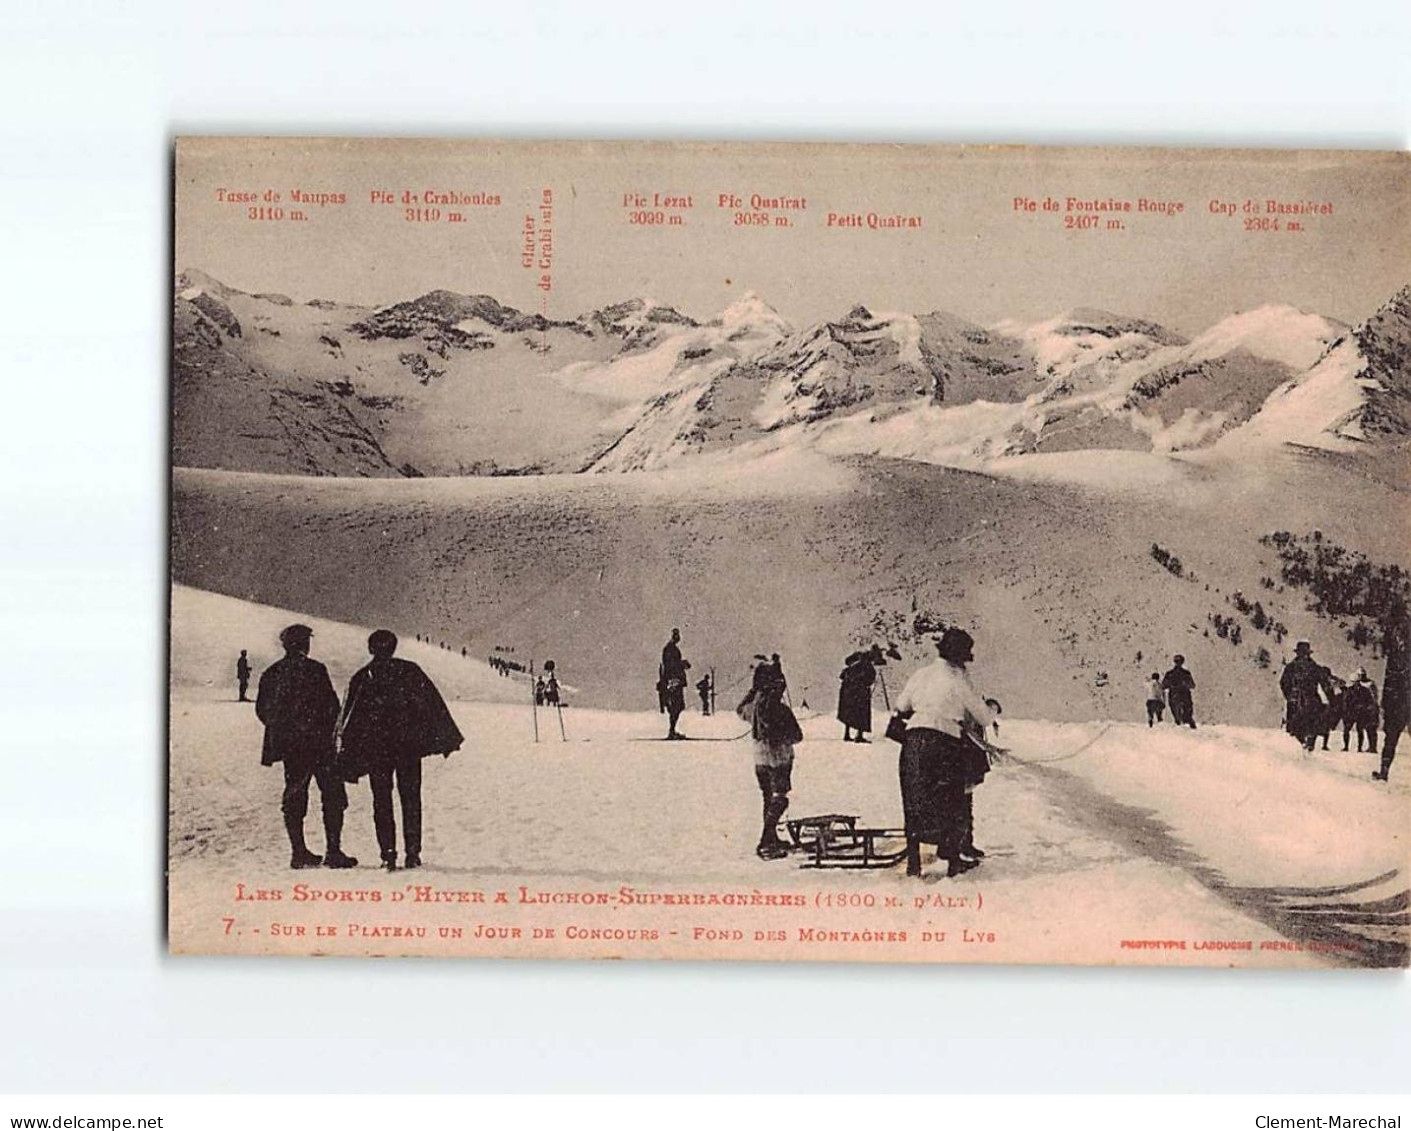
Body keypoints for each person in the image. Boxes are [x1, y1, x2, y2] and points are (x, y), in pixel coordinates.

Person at [337, 629, 463, 871]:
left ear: (371, 649)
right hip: (408, 749)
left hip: (377, 751)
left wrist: (348, 753)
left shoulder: (363, 676)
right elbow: (433, 706)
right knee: (411, 799)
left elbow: (351, 718)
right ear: (393, 648)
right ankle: (413, 853)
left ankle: (388, 854)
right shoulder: (410, 671)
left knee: (381, 800)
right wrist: (444, 738)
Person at [890, 628, 996, 879]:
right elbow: (982, 716)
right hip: (945, 743)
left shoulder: (920, 674)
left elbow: (901, 705)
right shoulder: (958, 678)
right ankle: (953, 860)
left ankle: (914, 862)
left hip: (914, 741)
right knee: (952, 801)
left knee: (915, 798)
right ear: (960, 656)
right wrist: (992, 707)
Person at [255, 624, 356, 870]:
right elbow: (332, 707)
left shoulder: (272, 672)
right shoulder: (315, 669)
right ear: (303, 644)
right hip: (320, 744)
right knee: (332, 794)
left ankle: (298, 852)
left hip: (292, 747)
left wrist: (284, 730)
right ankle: (333, 851)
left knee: (294, 795)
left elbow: (262, 710)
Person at [737, 653, 803, 860]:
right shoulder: (780, 709)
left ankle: (772, 837)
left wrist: (753, 689)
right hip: (780, 757)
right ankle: (766, 840)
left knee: (768, 797)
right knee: (780, 798)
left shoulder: (754, 706)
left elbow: (740, 709)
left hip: (759, 757)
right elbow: (797, 736)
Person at [1280, 641, 1335, 752]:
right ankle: (1303, 742)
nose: (1304, 656)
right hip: (1295, 699)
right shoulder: (1290, 668)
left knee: (1314, 721)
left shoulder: (1315, 667)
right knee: (1294, 726)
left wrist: (1331, 697)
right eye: (1301, 653)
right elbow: (1283, 682)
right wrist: (1289, 695)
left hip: (1311, 698)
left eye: (1305, 653)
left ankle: (1310, 743)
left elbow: (1325, 683)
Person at [1375, 616, 1409, 781]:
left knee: (1390, 739)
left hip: (1402, 703)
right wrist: (1384, 703)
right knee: (1390, 739)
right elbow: (1388, 682)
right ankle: (1384, 772)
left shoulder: (1398, 656)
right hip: (1396, 704)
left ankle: (1383, 772)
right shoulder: (1394, 656)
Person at [837, 650, 877, 743]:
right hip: (861, 694)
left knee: (849, 713)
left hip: (847, 693)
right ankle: (859, 735)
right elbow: (870, 679)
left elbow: (842, 676)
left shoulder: (850, 668)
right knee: (862, 714)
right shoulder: (867, 667)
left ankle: (847, 734)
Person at [659, 628, 691, 740]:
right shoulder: (670, 649)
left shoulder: (672, 648)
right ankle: (671, 731)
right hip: (673, 680)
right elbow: (670, 665)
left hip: (674, 680)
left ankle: (672, 730)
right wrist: (682, 664)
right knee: (676, 706)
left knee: (678, 706)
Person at [1341, 667, 1380, 753]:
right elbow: (1346, 701)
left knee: (1363, 730)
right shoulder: (1352, 689)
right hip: (1354, 712)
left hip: (1362, 712)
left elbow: (1371, 699)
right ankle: (1347, 746)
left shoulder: (1367, 687)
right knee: (1349, 730)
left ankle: (1365, 747)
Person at [1161, 655, 1197, 729]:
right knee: (1187, 717)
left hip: (1174, 697)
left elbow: (1163, 686)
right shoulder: (1186, 673)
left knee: (1177, 718)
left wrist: (1172, 685)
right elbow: (1192, 685)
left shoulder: (1169, 674)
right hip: (1185, 697)